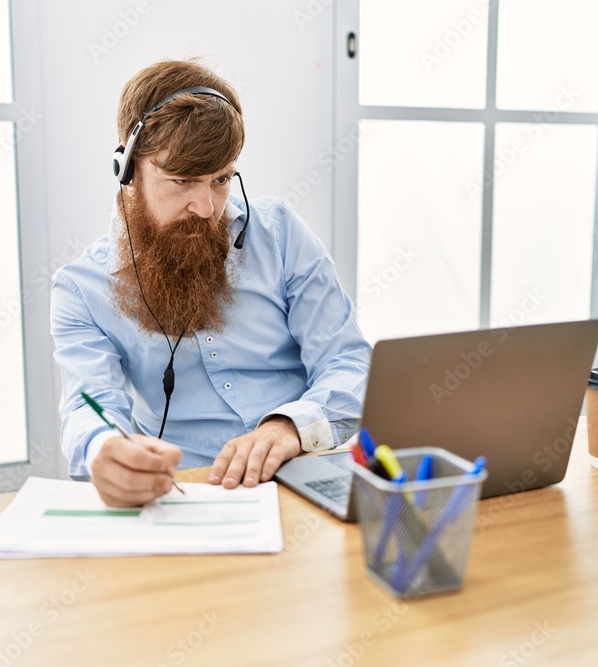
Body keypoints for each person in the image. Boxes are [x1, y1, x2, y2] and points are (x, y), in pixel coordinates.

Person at [51, 60, 371, 507]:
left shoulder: (279, 233)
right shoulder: (81, 289)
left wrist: (290, 427)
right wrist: (105, 450)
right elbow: (89, 406)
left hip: (305, 476)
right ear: (126, 169)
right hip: (187, 495)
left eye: (221, 179)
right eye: (182, 181)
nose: (206, 206)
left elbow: (351, 362)